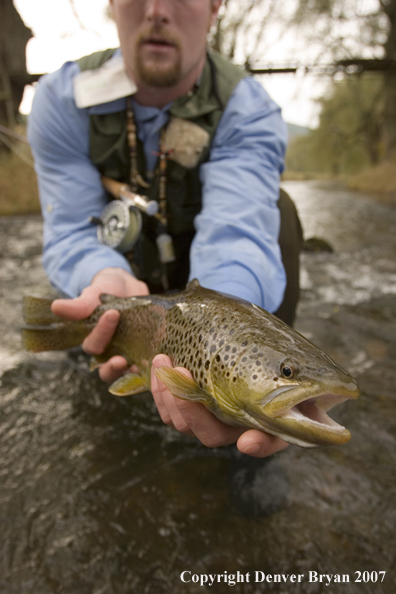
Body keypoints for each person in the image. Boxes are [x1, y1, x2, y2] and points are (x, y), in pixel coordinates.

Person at [28, 0, 302, 459]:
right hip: (129, 286)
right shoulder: (62, 100)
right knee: (106, 414)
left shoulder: (248, 108)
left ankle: (252, 445)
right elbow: (73, 228)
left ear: (216, 5)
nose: (157, 10)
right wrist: (101, 280)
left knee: (281, 211)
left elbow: (239, 234)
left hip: (216, 289)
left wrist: (228, 342)